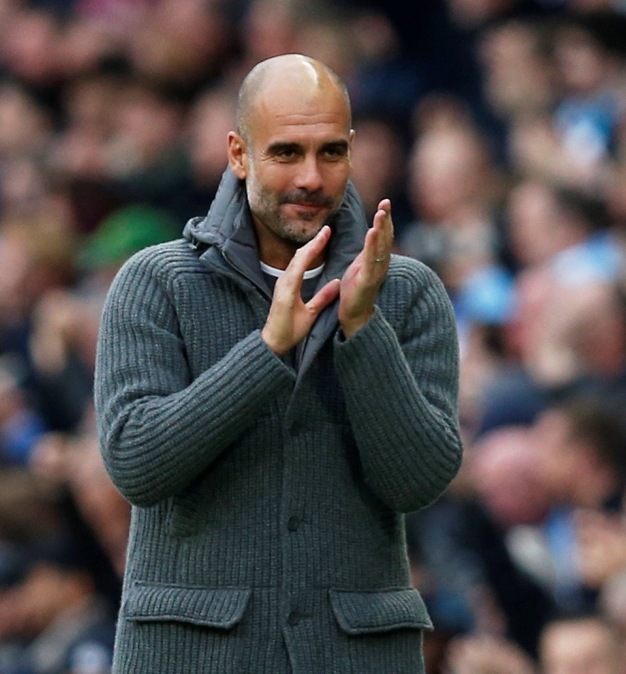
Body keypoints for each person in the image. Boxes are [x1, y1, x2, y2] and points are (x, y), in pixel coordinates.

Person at [93, 54, 463, 673]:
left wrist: (363, 330)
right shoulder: (156, 281)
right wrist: (266, 351)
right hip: (191, 656)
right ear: (238, 155)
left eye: (331, 152)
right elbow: (137, 463)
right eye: (287, 152)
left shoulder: (408, 292)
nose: (311, 178)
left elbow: (419, 481)